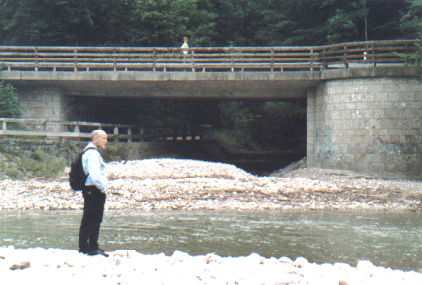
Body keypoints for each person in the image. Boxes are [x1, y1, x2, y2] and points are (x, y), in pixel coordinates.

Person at [78, 129, 109, 257]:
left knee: (88, 218)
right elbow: (95, 175)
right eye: (103, 138)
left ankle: (85, 247)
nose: (106, 141)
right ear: (95, 139)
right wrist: (102, 188)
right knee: (94, 218)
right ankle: (92, 247)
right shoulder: (93, 153)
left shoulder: (89, 151)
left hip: (90, 189)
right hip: (94, 189)